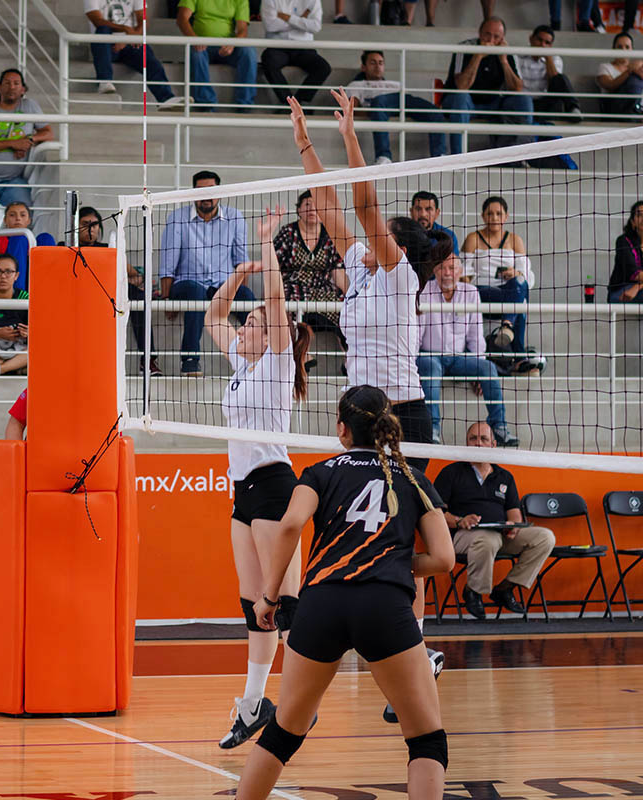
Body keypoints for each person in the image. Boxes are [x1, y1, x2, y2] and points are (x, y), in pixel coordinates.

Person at [292, 91, 450, 724]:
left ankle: (417, 648)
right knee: (374, 530)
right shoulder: (358, 265)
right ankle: (406, 652)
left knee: (400, 531)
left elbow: (360, 201)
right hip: (361, 411)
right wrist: (304, 141)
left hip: (403, 413)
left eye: (374, 234)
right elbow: (332, 206)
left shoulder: (396, 270)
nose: (358, 238)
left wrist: (352, 135)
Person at [232, 385, 453, 800]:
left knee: (282, 733)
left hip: (322, 602)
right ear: (390, 428)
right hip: (384, 605)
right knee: (426, 739)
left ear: (342, 430)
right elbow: (443, 559)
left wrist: (270, 597)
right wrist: (390, 562)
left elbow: (290, 525)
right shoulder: (412, 478)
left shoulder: (319, 472)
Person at [206, 207, 313, 749]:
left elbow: (274, 306)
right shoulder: (243, 367)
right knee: (255, 607)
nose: (245, 325)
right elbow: (211, 317)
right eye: (245, 324)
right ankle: (254, 703)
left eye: (255, 325)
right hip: (242, 494)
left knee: (287, 605)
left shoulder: (272, 365)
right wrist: (237, 275)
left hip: (274, 486)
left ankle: (299, 701)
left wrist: (268, 245)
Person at [433, 422, 556, 620]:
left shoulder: (504, 476)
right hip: (462, 536)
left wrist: (513, 527)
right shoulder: (451, 473)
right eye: (473, 439)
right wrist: (459, 520)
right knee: (487, 540)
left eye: (483, 439)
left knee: (545, 537)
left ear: (493, 444)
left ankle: (505, 589)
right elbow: (435, 514)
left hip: (499, 535)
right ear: (466, 444)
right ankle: (473, 591)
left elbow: (514, 513)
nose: (478, 444)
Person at [159, 170, 256, 377]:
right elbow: (168, 262)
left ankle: (258, 357)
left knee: (247, 298)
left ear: (220, 192)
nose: (206, 196)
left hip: (222, 284)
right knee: (195, 293)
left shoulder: (234, 217)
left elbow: (241, 261)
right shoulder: (178, 218)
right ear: (193, 193)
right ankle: (190, 360)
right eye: (201, 191)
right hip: (187, 283)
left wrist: (238, 288)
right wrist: (167, 299)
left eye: (211, 190)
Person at [417, 254, 517, 447]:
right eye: (442, 268)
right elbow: (416, 335)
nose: (447, 273)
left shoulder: (470, 292)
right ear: (434, 271)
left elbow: (475, 335)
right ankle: (433, 429)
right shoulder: (424, 292)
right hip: (429, 357)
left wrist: (478, 370)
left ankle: (499, 427)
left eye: (452, 268)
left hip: (458, 358)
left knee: (487, 368)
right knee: (430, 366)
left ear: (460, 271)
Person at [0, 69, 54, 245]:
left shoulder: (29, 107)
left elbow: (47, 133)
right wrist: (12, 143)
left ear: (23, 89)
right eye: (7, 83)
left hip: (13, 180)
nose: (11, 87)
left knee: (24, 222)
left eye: (16, 83)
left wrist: (29, 139)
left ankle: (20, 264)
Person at [79, 205, 159, 376]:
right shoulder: (65, 247)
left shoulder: (108, 248)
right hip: (79, 295)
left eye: (94, 224)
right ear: (75, 226)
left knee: (137, 296)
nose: (90, 228)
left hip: (106, 294)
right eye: (85, 224)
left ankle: (148, 360)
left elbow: (133, 273)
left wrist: (133, 277)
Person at [440, 17, 533, 155]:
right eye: (487, 34)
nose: (490, 40)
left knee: (523, 101)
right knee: (461, 97)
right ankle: (457, 158)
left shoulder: (508, 52)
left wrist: (503, 60)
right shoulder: (464, 48)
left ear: (502, 39)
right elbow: (462, 86)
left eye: (496, 37)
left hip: (494, 102)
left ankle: (519, 157)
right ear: (479, 33)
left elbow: (517, 88)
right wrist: (478, 56)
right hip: (463, 102)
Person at [460, 195, 534, 356]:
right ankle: (518, 355)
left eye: (499, 214)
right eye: (490, 213)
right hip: (481, 291)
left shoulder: (515, 240)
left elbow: (526, 274)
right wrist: (469, 285)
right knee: (520, 303)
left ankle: (506, 327)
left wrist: (516, 272)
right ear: (483, 215)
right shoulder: (473, 238)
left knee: (520, 284)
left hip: (508, 290)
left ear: (506, 216)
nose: (494, 218)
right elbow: (463, 272)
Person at [273, 190, 346, 344]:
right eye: (307, 204)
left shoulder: (331, 236)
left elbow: (338, 271)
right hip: (293, 289)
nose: (312, 209)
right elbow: (273, 268)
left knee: (344, 304)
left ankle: (348, 354)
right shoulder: (287, 233)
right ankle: (299, 352)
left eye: (317, 205)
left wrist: (351, 296)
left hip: (322, 290)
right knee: (285, 301)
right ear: (299, 210)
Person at [345, 50, 445, 162]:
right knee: (379, 102)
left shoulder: (395, 84)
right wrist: (372, 111)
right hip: (379, 106)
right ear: (363, 67)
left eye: (381, 63)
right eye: (373, 63)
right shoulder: (357, 85)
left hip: (399, 100)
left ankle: (439, 157)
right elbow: (352, 110)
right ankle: (383, 156)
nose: (377, 66)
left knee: (435, 113)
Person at [86, 0, 182, 107]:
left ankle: (166, 99)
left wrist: (129, 38)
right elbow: (97, 21)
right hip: (105, 45)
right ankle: (104, 81)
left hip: (129, 43)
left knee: (150, 61)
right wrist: (125, 29)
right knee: (102, 30)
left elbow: (143, 20)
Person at [176, 0, 258, 111]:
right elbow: (182, 19)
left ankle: (245, 105)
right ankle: (205, 105)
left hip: (227, 47)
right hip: (202, 45)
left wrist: (233, 43)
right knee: (197, 55)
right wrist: (194, 39)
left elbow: (242, 29)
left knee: (249, 52)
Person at [260, 0, 331, 108]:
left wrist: (288, 18)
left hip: (304, 47)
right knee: (268, 61)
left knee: (323, 67)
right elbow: (270, 25)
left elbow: (316, 26)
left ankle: (297, 103)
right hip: (278, 47)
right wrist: (301, 21)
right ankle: (288, 103)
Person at [0, 201, 57, 288]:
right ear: (5, 220)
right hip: (8, 287)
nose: (18, 218)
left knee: (45, 238)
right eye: (12, 215)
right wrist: (2, 270)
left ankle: (48, 291)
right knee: (19, 239)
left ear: (29, 220)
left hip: (36, 286)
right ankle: (18, 294)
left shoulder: (36, 242)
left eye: (22, 215)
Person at [518, 25, 579, 123]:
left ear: (551, 46)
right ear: (531, 39)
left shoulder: (555, 59)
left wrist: (548, 58)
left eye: (547, 43)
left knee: (560, 78)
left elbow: (555, 82)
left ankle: (573, 109)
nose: (542, 45)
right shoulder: (518, 56)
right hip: (524, 102)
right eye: (539, 40)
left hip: (545, 101)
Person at [597, 33, 643, 119]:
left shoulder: (638, 68)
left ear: (632, 49)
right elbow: (610, 86)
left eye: (627, 47)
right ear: (613, 49)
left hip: (637, 110)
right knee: (634, 79)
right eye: (619, 47)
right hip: (614, 110)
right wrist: (629, 71)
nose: (623, 50)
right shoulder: (605, 67)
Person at [610, 200, 643, 303]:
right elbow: (637, 275)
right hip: (622, 291)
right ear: (633, 222)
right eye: (639, 215)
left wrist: (637, 288)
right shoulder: (623, 241)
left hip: (637, 289)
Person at [410, 191, 459, 257]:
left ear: (437, 213)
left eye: (428, 209)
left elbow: (452, 265)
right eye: (418, 209)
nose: (423, 214)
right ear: (411, 211)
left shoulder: (448, 236)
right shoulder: (401, 235)